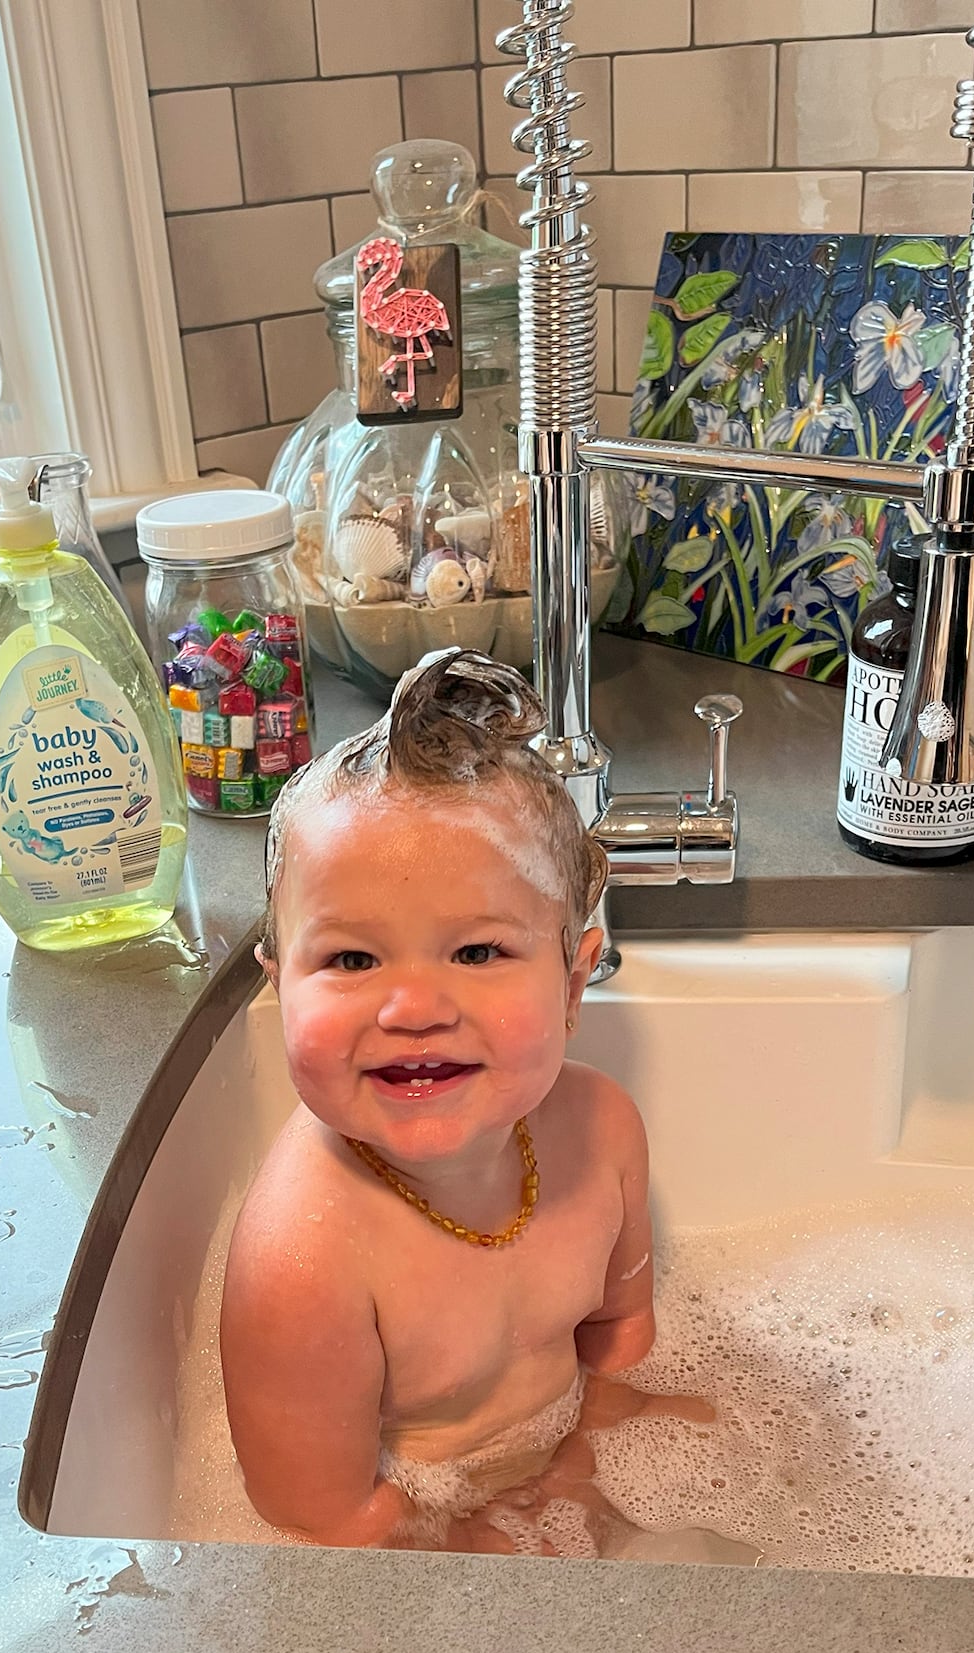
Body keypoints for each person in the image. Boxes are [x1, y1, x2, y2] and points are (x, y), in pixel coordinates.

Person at [220, 649, 710, 1553]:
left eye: (478, 952)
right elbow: (320, 1516)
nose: (415, 1010)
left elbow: (619, 1331)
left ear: (572, 982)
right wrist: (478, 1543)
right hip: (418, 1552)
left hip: (563, 1486)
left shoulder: (602, 1133)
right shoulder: (303, 1262)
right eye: (352, 960)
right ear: (277, 986)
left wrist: (595, 1463)